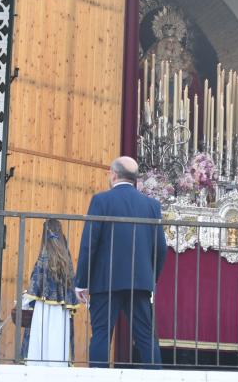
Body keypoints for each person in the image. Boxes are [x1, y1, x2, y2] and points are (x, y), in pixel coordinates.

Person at [74, 156, 167, 368]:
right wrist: (150, 277)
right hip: (140, 282)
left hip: (105, 281)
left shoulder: (101, 201)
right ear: (135, 179)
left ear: (113, 174)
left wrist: (82, 281)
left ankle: (98, 377)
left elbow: (90, 243)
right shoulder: (151, 205)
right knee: (146, 337)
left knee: (101, 335)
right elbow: (160, 247)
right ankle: (157, 377)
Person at [21, 218, 79, 366]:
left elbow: (36, 284)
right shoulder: (67, 258)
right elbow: (71, 283)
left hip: (42, 309)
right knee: (58, 341)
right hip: (61, 311)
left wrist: (23, 301)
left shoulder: (44, 255)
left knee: (40, 343)